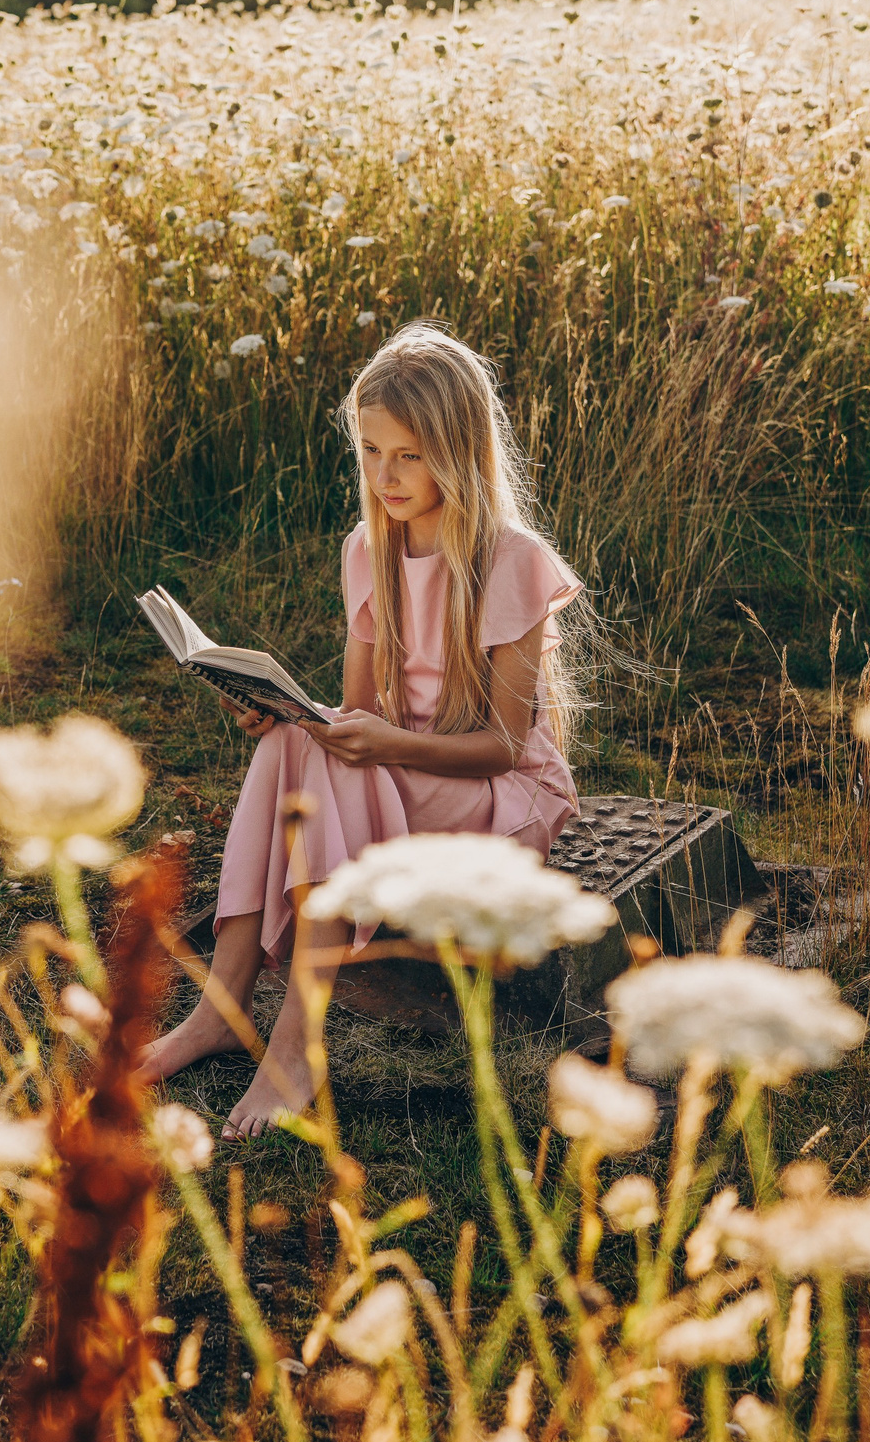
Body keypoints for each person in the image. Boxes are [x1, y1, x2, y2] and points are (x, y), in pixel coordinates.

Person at [141, 321, 586, 1135]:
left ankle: (293, 1047)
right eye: (372, 450)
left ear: (456, 450)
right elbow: (358, 715)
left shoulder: (508, 559)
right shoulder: (368, 548)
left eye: (408, 454)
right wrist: (282, 715)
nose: (386, 474)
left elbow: (504, 748)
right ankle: (220, 1009)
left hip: (497, 789)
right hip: (403, 769)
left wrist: (372, 744)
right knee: (289, 742)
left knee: (337, 764)